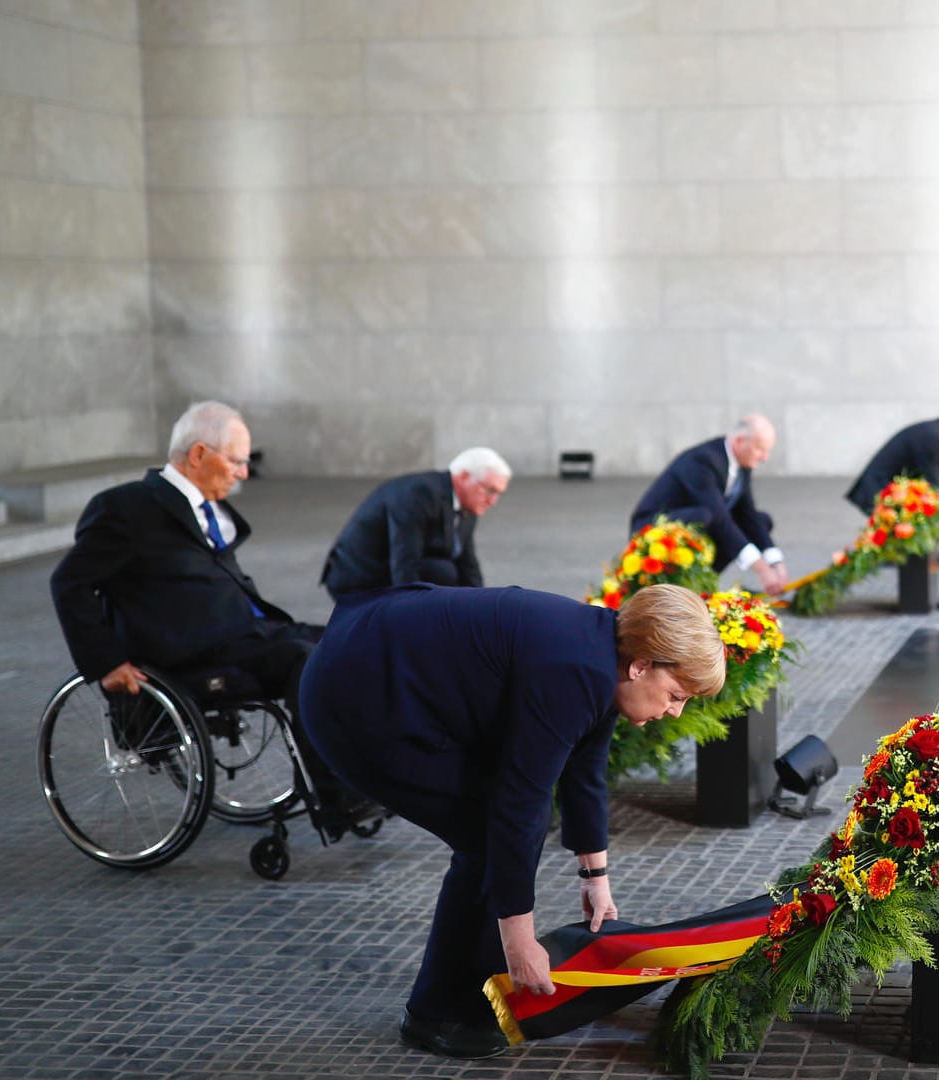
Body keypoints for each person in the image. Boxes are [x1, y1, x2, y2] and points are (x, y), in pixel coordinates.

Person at [297, 583, 725, 1060]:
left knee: (499, 834)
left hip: (378, 660)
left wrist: (595, 877)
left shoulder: (606, 649)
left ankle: (462, 996)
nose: (674, 711)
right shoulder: (574, 670)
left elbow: (585, 770)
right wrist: (519, 943)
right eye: (675, 694)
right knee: (488, 834)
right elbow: (519, 801)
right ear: (642, 665)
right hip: (354, 699)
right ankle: (437, 1013)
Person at [47, 400, 374, 829]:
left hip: (249, 633)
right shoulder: (125, 509)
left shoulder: (209, 509)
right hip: (195, 654)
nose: (243, 473)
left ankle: (372, 771)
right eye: (238, 461)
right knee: (303, 658)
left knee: (354, 638)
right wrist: (104, 661)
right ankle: (338, 799)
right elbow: (69, 582)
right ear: (199, 455)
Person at [320, 448, 512, 602]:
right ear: (463, 477)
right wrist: (413, 616)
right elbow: (404, 560)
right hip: (358, 578)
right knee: (442, 573)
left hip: (392, 566)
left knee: (449, 575)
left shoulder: (468, 503)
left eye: (498, 494)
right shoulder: (419, 493)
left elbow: (467, 562)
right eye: (490, 491)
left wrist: (483, 607)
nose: (492, 501)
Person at [629, 416, 787, 593]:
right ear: (740, 441)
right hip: (651, 527)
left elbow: (747, 513)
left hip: (698, 521)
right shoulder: (703, 460)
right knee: (707, 516)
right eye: (760, 449)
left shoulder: (743, 462)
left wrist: (775, 561)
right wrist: (762, 569)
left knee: (761, 520)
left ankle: (704, 582)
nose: (765, 457)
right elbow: (719, 517)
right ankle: (676, 589)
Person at [846, 407, 939, 566]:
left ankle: (917, 553)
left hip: (901, 491)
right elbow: (936, 488)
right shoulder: (933, 437)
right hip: (879, 491)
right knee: (926, 507)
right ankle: (900, 553)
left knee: (929, 507)